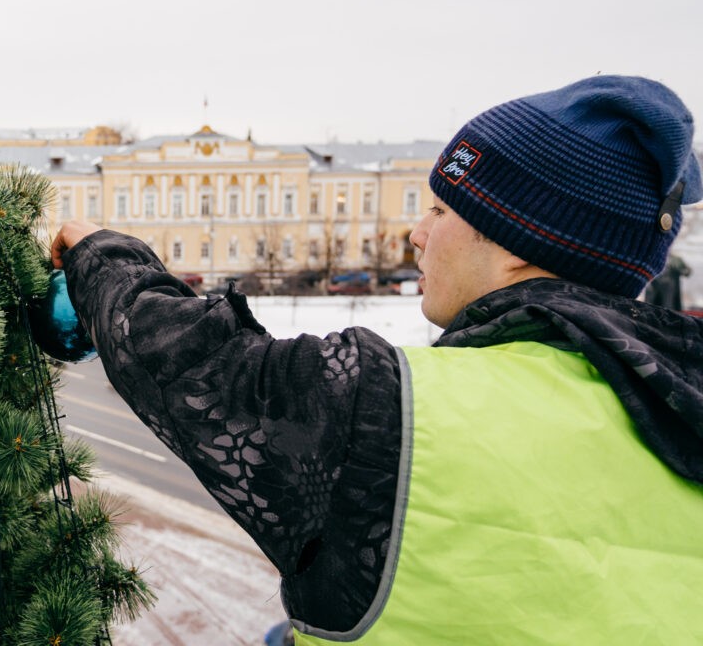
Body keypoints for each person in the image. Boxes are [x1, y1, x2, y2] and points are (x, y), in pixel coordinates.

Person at [50, 75, 703, 644]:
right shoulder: (681, 397)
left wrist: (100, 254)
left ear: (517, 244)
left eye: (442, 210)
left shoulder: (393, 408)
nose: (416, 232)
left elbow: (196, 366)